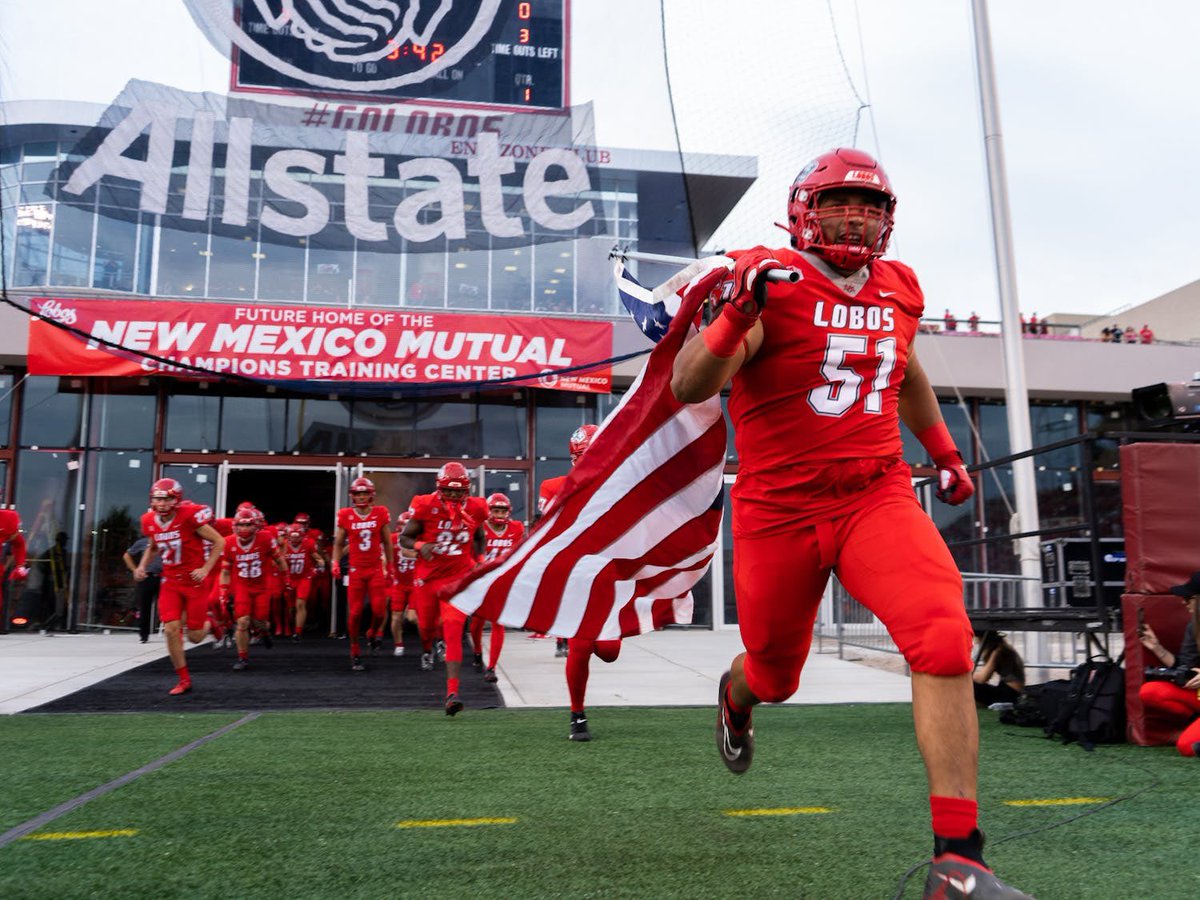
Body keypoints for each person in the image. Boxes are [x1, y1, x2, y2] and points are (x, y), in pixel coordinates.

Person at [670, 148, 1030, 898]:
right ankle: (735, 699)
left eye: (870, 207)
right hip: (780, 511)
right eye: (840, 202)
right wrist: (739, 308)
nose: (856, 217)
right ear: (804, 207)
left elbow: (904, 367)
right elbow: (688, 383)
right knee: (776, 675)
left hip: (875, 495)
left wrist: (944, 450)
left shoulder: (899, 286)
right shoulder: (769, 278)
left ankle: (959, 860)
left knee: (940, 636)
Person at [538, 424, 623, 742]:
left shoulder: (618, 485)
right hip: (573, 574)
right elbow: (544, 531)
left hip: (606, 574)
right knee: (581, 645)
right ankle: (577, 715)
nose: (586, 463)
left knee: (610, 650)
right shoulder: (554, 487)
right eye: (580, 457)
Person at [399, 462, 488, 715]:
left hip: (457, 579)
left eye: (459, 492)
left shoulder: (476, 507)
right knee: (426, 626)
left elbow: (479, 536)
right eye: (449, 491)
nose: (455, 496)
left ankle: (452, 693)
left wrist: (479, 561)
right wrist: (419, 547)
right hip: (428, 578)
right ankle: (428, 647)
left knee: (453, 629)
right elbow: (406, 536)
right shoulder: (426, 505)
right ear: (439, 488)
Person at [135, 478, 225, 695]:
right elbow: (154, 546)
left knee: (194, 636)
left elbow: (219, 542)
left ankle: (210, 623)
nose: (162, 503)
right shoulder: (148, 520)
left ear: (176, 500)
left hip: (193, 581)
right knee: (170, 630)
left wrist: (205, 569)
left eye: (167, 499)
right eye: (158, 499)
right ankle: (184, 679)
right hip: (171, 581)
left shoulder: (189, 517)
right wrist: (141, 566)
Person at [331, 477, 394, 672]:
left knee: (379, 611)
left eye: (364, 493)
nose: (361, 497)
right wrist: (334, 561)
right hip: (356, 569)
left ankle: (372, 632)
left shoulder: (380, 513)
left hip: (375, 568)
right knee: (355, 612)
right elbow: (339, 542)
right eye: (358, 493)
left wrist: (390, 564)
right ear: (352, 496)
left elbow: (387, 541)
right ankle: (354, 650)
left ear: (371, 494)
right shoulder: (346, 515)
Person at [1137, 572, 1200, 758]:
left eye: (1188, 598)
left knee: (1187, 747)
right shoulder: (1194, 625)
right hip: (1197, 695)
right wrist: (1157, 648)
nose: (1183, 602)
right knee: (1150, 692)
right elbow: (1184, 666)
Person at [222, 511, 287, 671]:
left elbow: (279, 559)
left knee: (260, 622)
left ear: (255, 525)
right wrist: (223, 590)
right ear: (235, 526)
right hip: (242, 586)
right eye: (241, 524)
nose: (244, 528)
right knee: (242, 622)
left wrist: (286, 579)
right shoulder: (229, 542)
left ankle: (264, 632)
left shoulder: (265, 538)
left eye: (248, 524)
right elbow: (225, 570)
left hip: (261, 587)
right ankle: (242, 657)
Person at [472, 493, 526, 683]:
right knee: (477, 621)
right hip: (481, 580)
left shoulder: (516, 528)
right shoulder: (481, 529)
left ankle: (492, 666)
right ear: (489, 511)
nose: (500, 514)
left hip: (502, 580)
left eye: (503, 510)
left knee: (498, 621)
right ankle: (478, 651)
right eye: (496, 510)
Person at [282, 524, 324, 641]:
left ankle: (298, 632)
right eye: (293, 536)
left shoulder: (308, 544)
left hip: (303, 578)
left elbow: (318, 558)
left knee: (301, 604)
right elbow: (276, 561)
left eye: (297, 536)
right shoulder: (284, 545)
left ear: (302, 536)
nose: (295, 539)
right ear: (289, 536)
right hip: (289, 578)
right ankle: (293, 626)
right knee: (291, 608)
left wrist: (320, 566)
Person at [388, 510, 418, 657]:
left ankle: (431, 638)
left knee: (413, 617)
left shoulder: (419, 541)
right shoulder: (392, 539)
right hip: (399, 583)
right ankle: (398, 644)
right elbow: (383, 554)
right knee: (396, 616)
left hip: (415, 584)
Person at [123, 535, 162, 643]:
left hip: (164, 577)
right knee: (145, 607)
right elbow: (127, 555)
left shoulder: (165, 541)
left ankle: (170, 631)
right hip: (147, 577)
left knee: (165, 606)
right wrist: (135, 570)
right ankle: (144, 635)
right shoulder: (142, 542)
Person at [971, 630, 1025, 708]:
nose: (976, 643)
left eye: (978, 641)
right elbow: (985, 676)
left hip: (1009, 694)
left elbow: (982, 678)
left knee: (971, 685)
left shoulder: (998, 651)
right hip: (1010, 691)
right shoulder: (1001, 647)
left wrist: (965, 675)